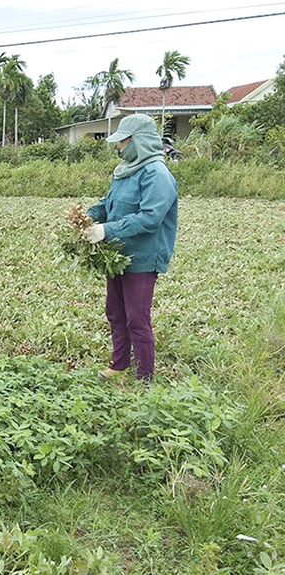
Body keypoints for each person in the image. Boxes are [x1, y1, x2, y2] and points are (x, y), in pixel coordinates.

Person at [83, 113, 178, 382]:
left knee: (137, 318)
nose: (120, 147)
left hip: (143, 257)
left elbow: (150, 217)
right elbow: (108, 202)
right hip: (117, 254)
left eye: (124, 142)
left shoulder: (157, 174)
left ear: (139, 141)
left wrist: (105, 230)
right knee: (115, 311)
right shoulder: (124, 170)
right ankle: (119, 365)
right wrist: (89, 216)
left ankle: (144, 377)